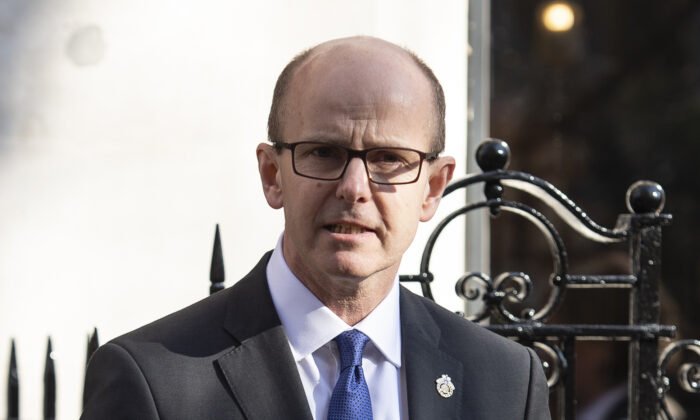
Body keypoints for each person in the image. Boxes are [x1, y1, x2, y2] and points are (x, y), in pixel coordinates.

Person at [81, 36, 550, 420]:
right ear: (272, 175)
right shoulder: (154, 380)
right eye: (323, 153)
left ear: (432, 189)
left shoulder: (505, 382)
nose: (354, 188)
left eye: (388, 159)